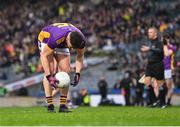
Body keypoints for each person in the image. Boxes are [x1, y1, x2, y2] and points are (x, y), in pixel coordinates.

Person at [37, 23, 86, 112]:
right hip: (46, 39)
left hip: (62, 41)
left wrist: (78, 73)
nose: (71, 49)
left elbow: (80, 55)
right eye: (70, 46)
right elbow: (44, 55)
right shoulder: (57, 37)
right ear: (68, 39)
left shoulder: (81, 40)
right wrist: (49, 76)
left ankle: (63, 105)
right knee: (51, 70)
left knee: (66, 71)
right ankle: (50, 105)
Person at [140, 27, 164, 107]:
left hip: (158, 65)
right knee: (147, 82)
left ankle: (162, 103)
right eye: (148, 32)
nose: (148, 33)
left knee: (160, 85)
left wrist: (149, 49)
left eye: (150, 32)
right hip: (150, 65)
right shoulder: (150, 42)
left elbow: (160, 51)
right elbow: (151, 52)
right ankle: (153, 102)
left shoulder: (159, 42)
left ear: (155, 33)